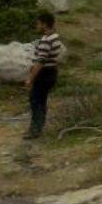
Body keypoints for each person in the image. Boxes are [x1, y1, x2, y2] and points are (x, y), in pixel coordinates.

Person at [24, 11, 62, 140]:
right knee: (42, 100)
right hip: (52, 72)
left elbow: (40, 61)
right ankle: (39, 127)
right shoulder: (55, 37)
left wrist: (30, 78)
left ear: (44, 24)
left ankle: (35, 130)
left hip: (44, 73)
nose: (37, 26)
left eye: (38, 23)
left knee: (36, 101)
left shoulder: (46, 40)